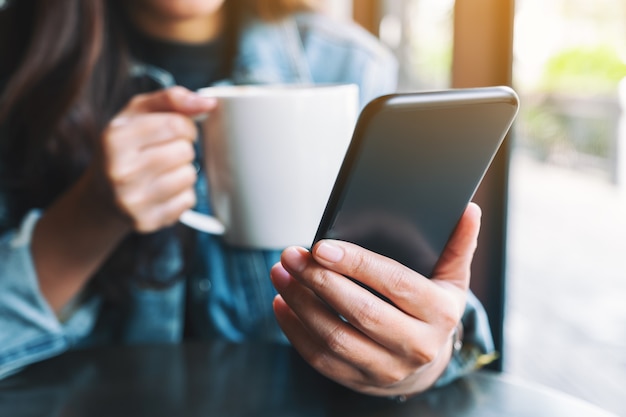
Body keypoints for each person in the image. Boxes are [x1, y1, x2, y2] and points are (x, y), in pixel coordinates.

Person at [0, 0, 494, 398]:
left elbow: (413, 301)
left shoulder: (349, 65)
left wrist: (419, 361)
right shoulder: (15, 62)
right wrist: (89, 218)